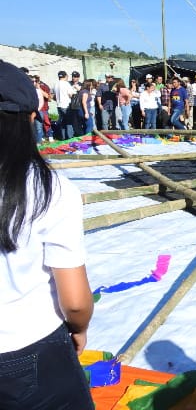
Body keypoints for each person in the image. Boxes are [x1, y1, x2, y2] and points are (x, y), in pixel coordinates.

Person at [0, 60, 94, 408]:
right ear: (29, 119)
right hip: (26, 347)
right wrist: (79, 326)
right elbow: (74, 300)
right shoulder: (47, 189)